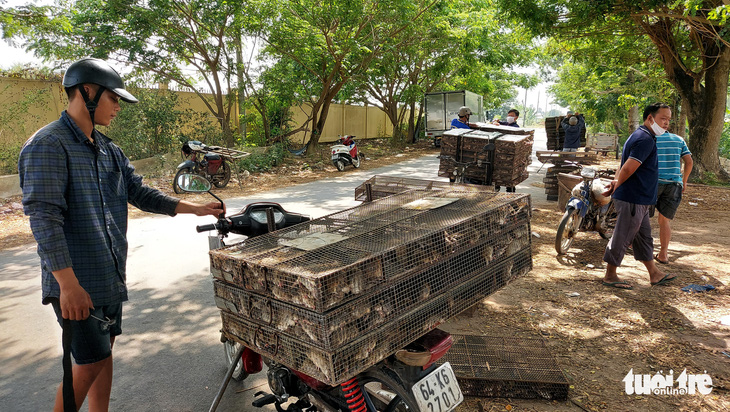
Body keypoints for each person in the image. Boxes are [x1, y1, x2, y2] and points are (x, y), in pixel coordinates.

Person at [17, 58, 225, 412]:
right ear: (88, 92)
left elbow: (140, 193)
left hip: (107, 277)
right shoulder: (48, 145)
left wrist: (195, 208)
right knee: (88, 362)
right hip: (77, 282)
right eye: (113, 98)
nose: (117, 107)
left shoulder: (108, 150)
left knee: (103, 354)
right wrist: (67, 285)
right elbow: (44, 218)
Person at [600, 102, 675, 290]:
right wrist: (617, 184)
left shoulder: (641, 135)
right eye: (663, 119)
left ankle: (654, 273)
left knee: (643, 238)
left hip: (640, 199)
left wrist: (617, 182)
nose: (666, 123)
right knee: (622, 236)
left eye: (668, 120)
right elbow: (628, 167)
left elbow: (623, 165)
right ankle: (610, 275)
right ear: (650, 118)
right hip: (633, 198)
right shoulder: (645, 140)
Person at [654, 131, 693, 264]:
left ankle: (634, 246)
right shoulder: (679, 139)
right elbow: (689, 162)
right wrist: (684, 180)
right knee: (664, 220)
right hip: (674, 184)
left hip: (653, 183)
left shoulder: (651, 138)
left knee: (641, 217)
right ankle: (663, 254)